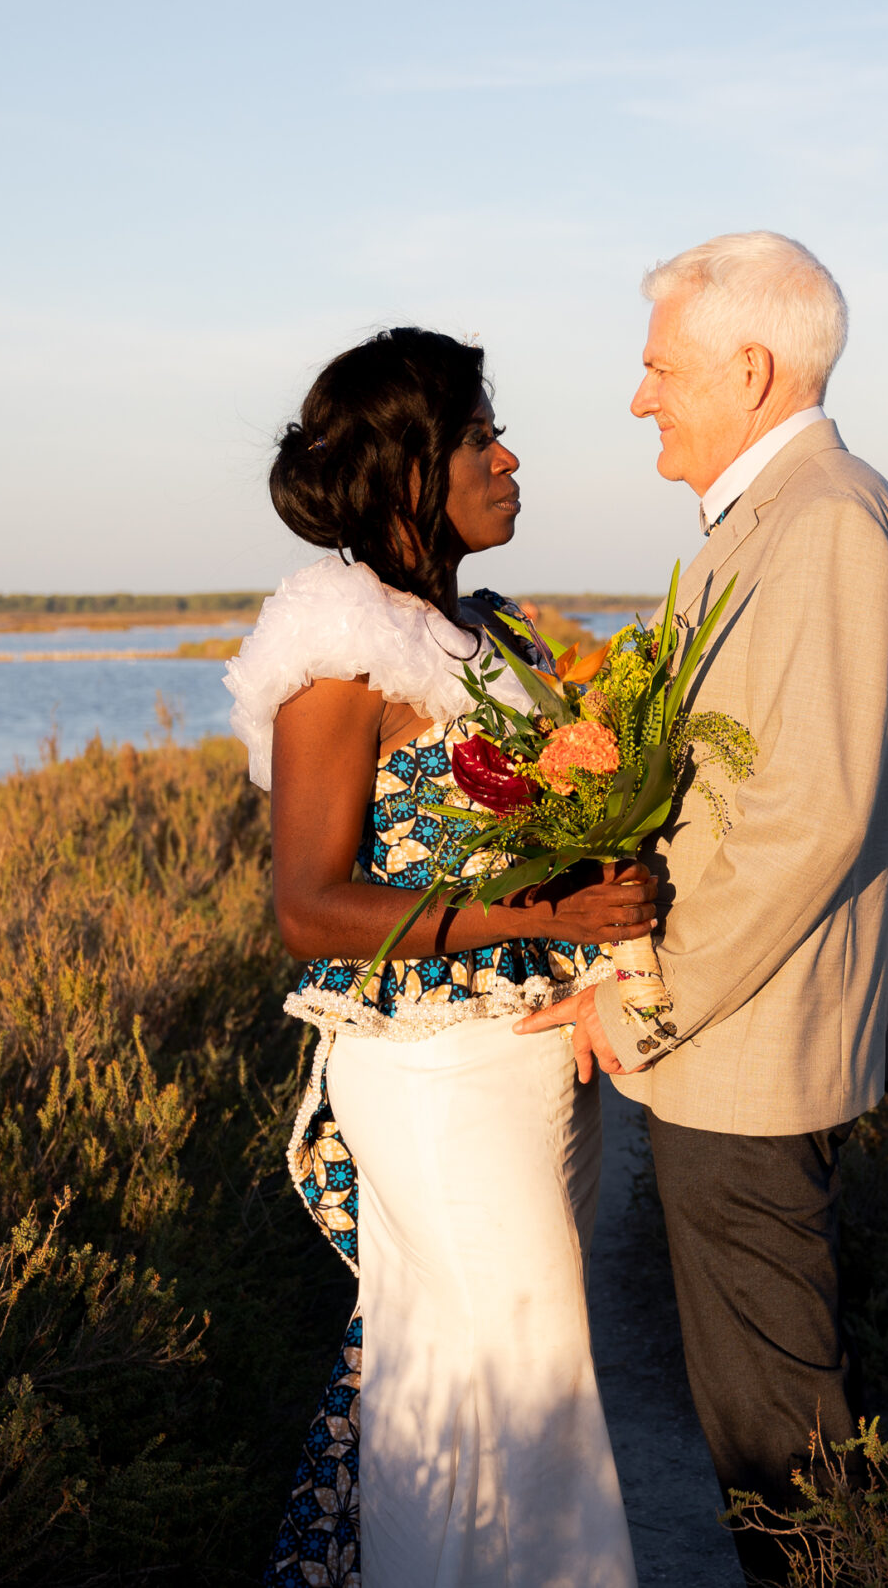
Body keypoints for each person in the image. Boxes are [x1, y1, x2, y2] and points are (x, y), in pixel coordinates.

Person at [517, 233, 888, 1585]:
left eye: (658, 370)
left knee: (781, 1448)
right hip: (755, 1041)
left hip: (755, 1055)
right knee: (764, 1425)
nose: (641, 400)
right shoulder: (777, 519)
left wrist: (643, 994)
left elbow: (800, 820)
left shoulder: (818, 519)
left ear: (749, 367)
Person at [227, 327, 649, 1588]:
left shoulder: (494, 630)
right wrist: (539, 923)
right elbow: (309, 904)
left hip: (524, 1071)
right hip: (431, 1082)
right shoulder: (337, 644)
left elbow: (537, 839)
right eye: (478, 435)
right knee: (532, 1379)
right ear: (409, 467)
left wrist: (603, 886)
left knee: (452, 1402)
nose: (509, 455)